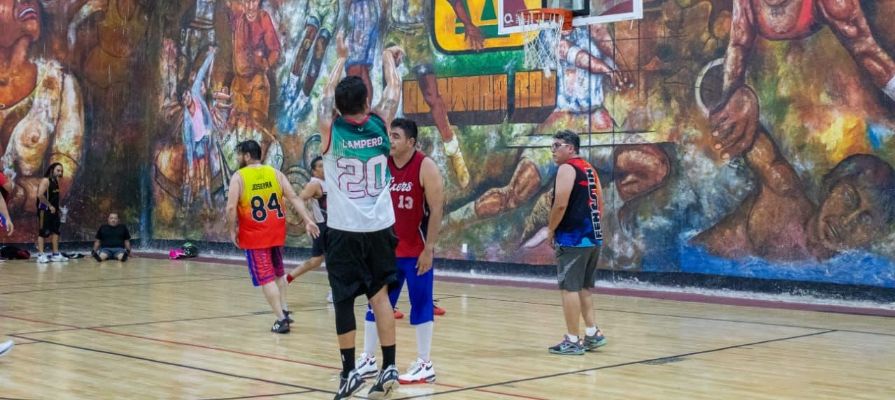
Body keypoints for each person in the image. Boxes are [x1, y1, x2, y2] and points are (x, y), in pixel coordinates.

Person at [316, 33, 403, 400]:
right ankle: (390, 366)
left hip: (344, 230)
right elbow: (394, 89)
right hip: (380, 227)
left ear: (338, 107)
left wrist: (340, 57)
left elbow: (324, 96)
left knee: (343, 300)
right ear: (367, 102)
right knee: (379, 297)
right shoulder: (381, 122)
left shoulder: (331, 129)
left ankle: (349, 371)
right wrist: (387, 58)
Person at [356, 118, 444, 385]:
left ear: (411, 142)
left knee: (421, 304)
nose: (390, 141)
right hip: (386, 251)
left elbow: (437, 210)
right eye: (389, 135)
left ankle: (425, 364)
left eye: (396, 136)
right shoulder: (381, 163)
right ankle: (369, 359)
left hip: (416, 251)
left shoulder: (425, 166)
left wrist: (429, 249)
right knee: (376, 303)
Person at [226, 140, 319, 334]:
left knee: (266, 278)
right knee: (278, 273)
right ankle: (284, 309)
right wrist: (308, 220)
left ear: (247, 156)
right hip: (276, 233)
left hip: (255, 235)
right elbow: (294, 197)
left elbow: (231, 207)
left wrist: (232, 230)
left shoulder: (239, 177)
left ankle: (281, 319)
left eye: (240, 155)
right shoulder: (276, 174)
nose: (239, 158)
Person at [545, 130, 607, 355]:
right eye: (552, 146)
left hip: (573, 239)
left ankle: (572, 340)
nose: (553, 151)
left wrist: (551, 230)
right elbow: (600, 203)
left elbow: (560, 204)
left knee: (569, 288)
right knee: (583, 287)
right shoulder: (589, 168)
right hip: (593, 238)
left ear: (570, 148)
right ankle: (592, 333)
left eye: (557, 146)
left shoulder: (566, 168)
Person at [285, 156, 327, 283]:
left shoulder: (329, 181)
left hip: (331, 226)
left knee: (316, 261)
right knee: (333, 259)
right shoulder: (314, 184)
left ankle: (287, 278)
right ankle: (335, 290)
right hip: (323, 227)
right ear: (314, 171)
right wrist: (309, 219)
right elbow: (299, 200)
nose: (324, 168)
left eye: (325, 165)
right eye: (320, 166)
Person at [35, 163, 66, 263]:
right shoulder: (46, 180)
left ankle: (55, 254)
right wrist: (49, 206)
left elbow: (54, 197)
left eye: (61, 171)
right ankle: (41, 255)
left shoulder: (55, 181)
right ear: (52, 170)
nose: (60, 173)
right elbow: (40, 195)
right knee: (43, 232)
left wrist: (59, 208)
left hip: (54, 210)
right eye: (58, 170)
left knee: (56, 231)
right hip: (44, 210)